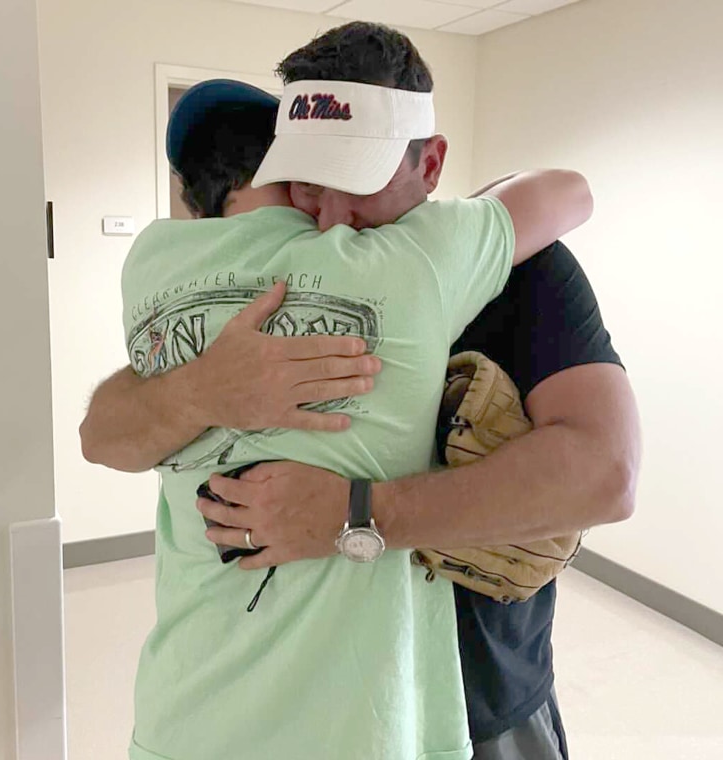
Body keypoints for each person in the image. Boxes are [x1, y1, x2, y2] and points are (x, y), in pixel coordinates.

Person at [80, 22, 639, 760]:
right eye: (307, 181)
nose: (331, 215)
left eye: (358, 180)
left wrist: (356, 514)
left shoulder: (522, 272)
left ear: (430, 163)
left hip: (481, 699)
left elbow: (609, 474)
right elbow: (102, 432)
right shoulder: (276, 277)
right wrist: (200, 389)